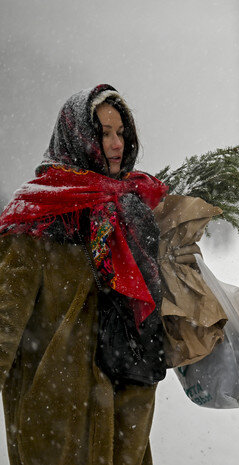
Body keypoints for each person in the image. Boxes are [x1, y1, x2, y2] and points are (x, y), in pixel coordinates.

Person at [0, 85, 188, 464]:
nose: (116, 144)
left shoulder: (133, 205)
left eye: (121, 132)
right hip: (60, 406)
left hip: (129, 389)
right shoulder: (38, 212)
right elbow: (5, 314)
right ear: (78, 138)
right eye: (103, 133)